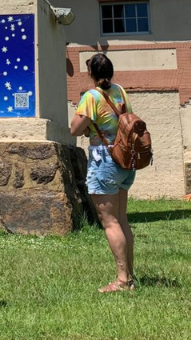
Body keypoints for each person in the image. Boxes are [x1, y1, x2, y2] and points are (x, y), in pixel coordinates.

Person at [69, 53, 136, 293]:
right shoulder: (121, 91)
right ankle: (129, 275)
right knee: (122, 219)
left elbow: (75, 129)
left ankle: (121, 280)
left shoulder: (91, 96)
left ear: (91, 74)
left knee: (110, 221)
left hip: (104, 159)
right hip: (125, 159)